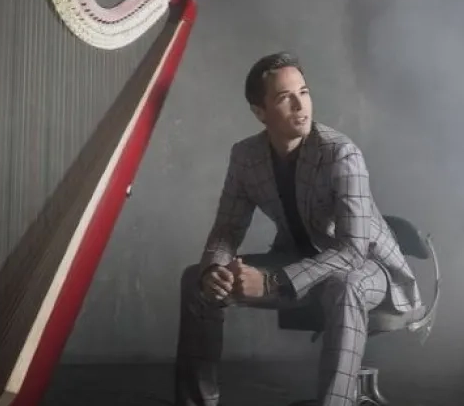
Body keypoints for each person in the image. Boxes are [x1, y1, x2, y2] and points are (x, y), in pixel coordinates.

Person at [174, 52, 422, 406]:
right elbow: (227, 228)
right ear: (260, 112)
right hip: (301, 263)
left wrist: (274, 281)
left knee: (344, 284)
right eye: (283, 97)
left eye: (303, 92)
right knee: (195, 279)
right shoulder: (246, 156)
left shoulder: (341, 154)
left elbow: (353, 251)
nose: (300, 105)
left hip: (371, 271)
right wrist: (215, 268)